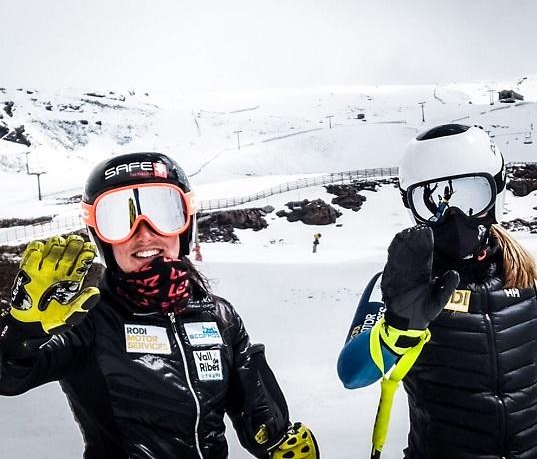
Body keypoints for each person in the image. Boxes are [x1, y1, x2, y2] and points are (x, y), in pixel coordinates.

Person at [337, 124, 537, 458]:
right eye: (434, 202)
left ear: (497, 191)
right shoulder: (401, 288)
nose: (454, 218)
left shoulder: (529, 279)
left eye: (471, 195)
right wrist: (397, 329)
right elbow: (352, 373)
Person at [0, 152, 319, 459]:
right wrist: (22, 331)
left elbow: (260, 416)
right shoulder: (87, 321)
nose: (144, 232)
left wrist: (279, 443)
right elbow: (8, 377)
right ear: (101, 237)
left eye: (164, 213)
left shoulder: (220, 317)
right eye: (118, 219)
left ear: (186, 223)